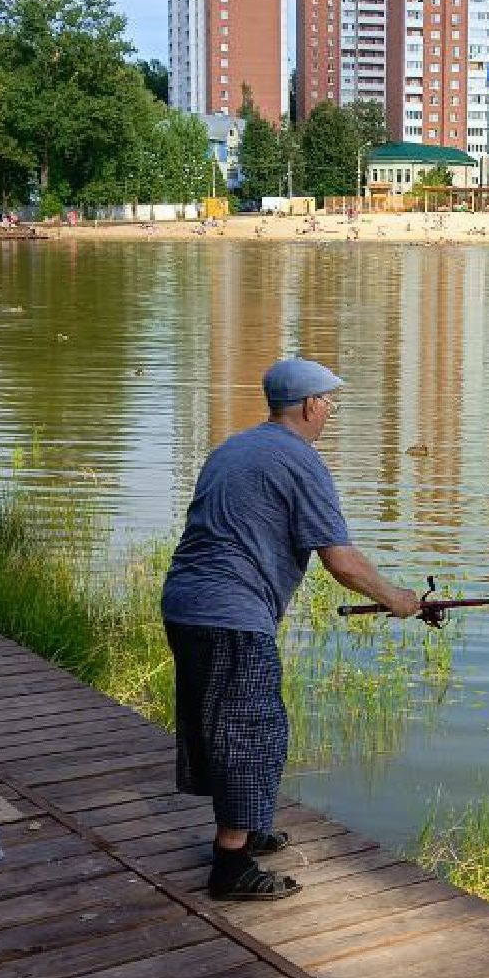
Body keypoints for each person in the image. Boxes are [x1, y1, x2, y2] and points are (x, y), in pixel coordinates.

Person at [160, 359, 423, 901]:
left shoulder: (233, 448)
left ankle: (247, 827)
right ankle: (231, 866)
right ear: (309, 406)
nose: (330, 413)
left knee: (220, 724)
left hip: (185, 604)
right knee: (253, 730)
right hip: (232, 615)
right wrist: (398, 599)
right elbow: (342, 562)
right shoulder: (301, 460)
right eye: (330, 404)